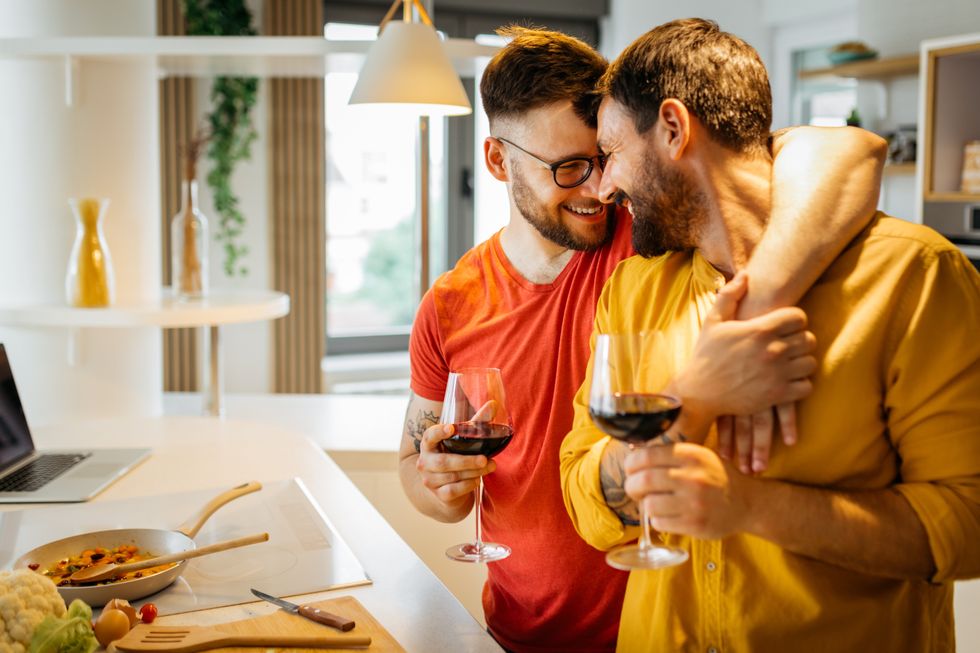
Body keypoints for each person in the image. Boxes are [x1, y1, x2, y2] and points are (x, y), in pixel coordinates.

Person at [401, 26, 887, 653]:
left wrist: (761, 299)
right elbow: (413, 465)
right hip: (515, 631)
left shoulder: (650, 236)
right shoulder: (450, 303)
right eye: (569, 167)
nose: (598, 188)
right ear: (498, 161)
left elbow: (849, 151)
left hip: (657, 630)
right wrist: (440, 488)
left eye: (604, 157)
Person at [560, 18, 980, 652]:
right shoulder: (631, 291)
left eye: (612, 151)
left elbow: (967, 526)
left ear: (673, 128)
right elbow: (583, 503)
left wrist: (752, 506)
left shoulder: (916, 275)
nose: (605, 186)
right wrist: (692, 400)